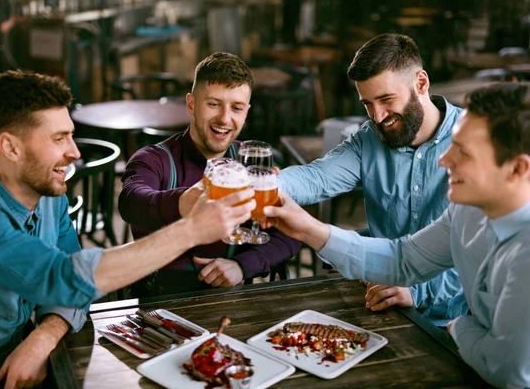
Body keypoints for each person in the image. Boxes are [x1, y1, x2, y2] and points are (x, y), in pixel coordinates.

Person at [0, 70, 255, 389]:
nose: (75, 152)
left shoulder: (48, 196)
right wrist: (192, 230)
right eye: (59, 139)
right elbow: (65, 278)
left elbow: (75, 288)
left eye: (71, 135)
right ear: (11, 148)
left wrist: (43, 337)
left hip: (15, 368)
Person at [264, 82, 530, 388]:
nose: (444, 160)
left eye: (464, 152)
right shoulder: (467, 210)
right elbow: (404, 260)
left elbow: (509, 371)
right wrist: (309, 229)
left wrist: (462, 326)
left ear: (516, 169)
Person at [278, 33, 467, 325]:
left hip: (458, 324)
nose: (377, 116)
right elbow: (315, 178)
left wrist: (418, 291)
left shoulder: (472, 142)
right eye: (367, 104)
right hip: (384, 306)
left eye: (386, 99)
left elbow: (486, 253)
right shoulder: (369, 139)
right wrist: (263, 183)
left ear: (421, 83)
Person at [118, 52, 300, 297]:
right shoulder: (153, 159)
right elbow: (131, 202)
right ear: (191, 104)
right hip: (161, 305)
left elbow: (289, 234)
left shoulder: (252, 165)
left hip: (234, 304)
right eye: (213, 104)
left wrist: (241, 266)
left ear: (246, 112)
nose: (224, 119)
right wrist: (186, 202)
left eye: (236, 108)